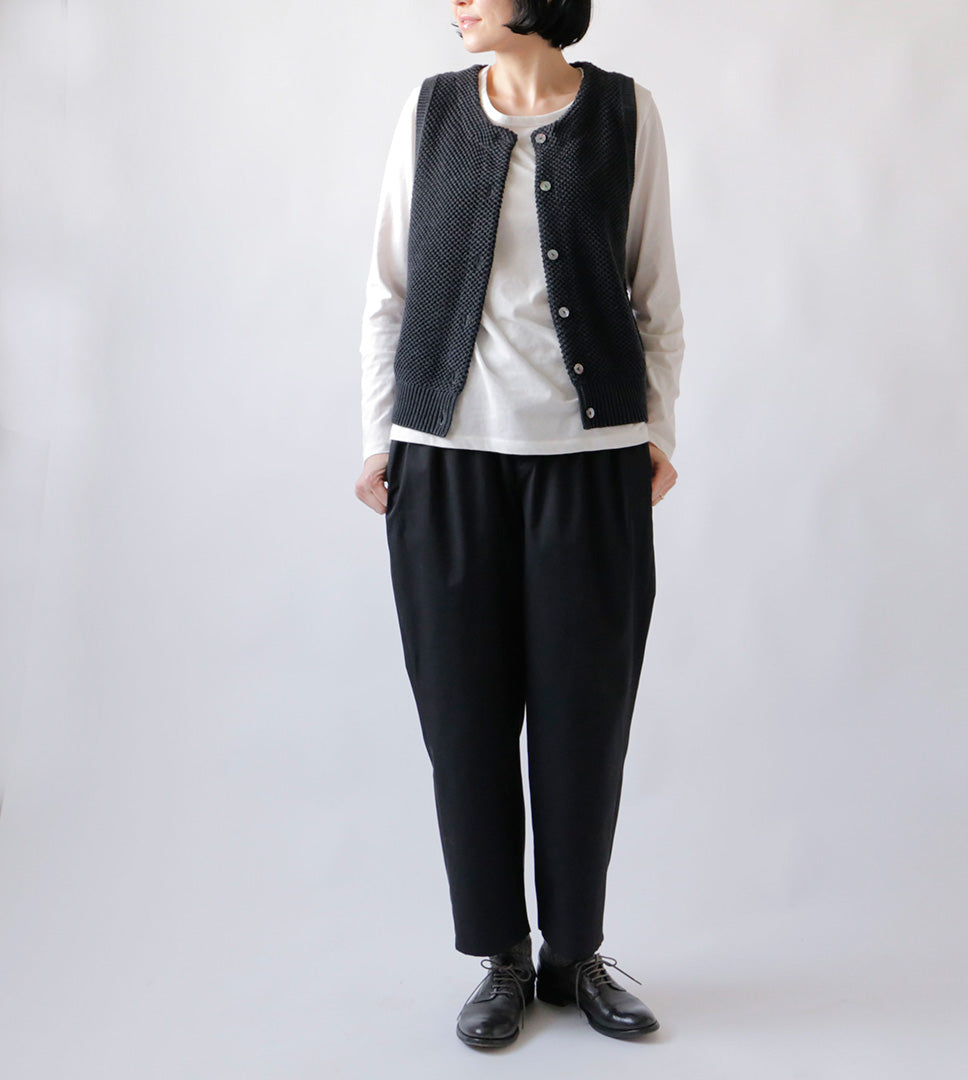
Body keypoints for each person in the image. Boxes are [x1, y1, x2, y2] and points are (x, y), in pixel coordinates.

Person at [354, 0, 684, 1050]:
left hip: (592, 463)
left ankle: (573, 954)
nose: (454, 3)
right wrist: (379, 438)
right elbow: (388, 293)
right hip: (444, 461)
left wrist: (655, 430)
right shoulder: (430, 112)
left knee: (587, 721)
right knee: (466, 724)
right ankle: (499, 955)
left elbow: (656, 297)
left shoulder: (626, 114)